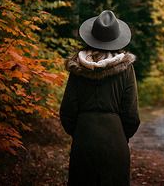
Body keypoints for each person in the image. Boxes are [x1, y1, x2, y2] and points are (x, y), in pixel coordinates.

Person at [59, 9, 140, 186]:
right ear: (115, 38)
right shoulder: (126, 69)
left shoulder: (77, 69)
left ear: (91, 36)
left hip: (83, 141)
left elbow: (67, 111)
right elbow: (131, 114)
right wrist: (120, 135)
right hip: (115, 141)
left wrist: (81, 132)